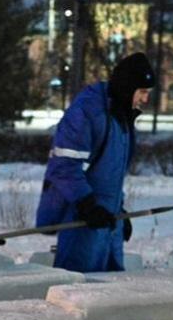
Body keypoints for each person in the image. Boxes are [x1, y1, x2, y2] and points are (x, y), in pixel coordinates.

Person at [35, 52, 154, 273]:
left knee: (109, 295)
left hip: (108, 222)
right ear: (128, 87)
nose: (145, 99)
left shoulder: (121, 117)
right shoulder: (87, 112)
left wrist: (120, 212)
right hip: (82, 221)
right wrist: (87, 206)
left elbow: (110, 174)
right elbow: (64, 167)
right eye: (143, 92)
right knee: (78, 290)